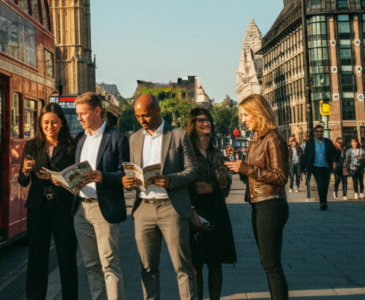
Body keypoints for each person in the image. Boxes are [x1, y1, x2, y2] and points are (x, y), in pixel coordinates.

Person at [122, 95, 199, 300]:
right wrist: (128, 181)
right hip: (144, 208)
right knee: (147, 268)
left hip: (171, 208)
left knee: (182, 266)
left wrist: (170, 180)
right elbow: (132, 171)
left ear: (158, 111)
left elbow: (193, 170)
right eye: (138, 116)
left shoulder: (179, 135)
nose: (142, 120)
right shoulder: (134, 138)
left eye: (146, 115)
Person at [225, 95, 289, 300]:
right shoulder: (257, 139)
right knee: (267, 263)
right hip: (259, 203)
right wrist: (240, 171)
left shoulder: (273, 138)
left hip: (270, 203)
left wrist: (247, 169)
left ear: (258, 113)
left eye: (246, 115)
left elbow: (280, 176)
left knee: (271, 264)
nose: (243, 120)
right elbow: (255, 173)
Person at [72, 92, 129, 300]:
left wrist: (102, 176)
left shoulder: (117, 138)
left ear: (97, 111)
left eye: (83, 113)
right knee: (91, 265)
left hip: (104, 207)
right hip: (80, 208)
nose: (79, 118)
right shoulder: (80, 139)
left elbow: (125, 174)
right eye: (78, 114)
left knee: (109, 264)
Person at [18, 102, 78, 300]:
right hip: (38, 207)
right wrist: (25, 171)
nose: (49, 126)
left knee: (67, 258)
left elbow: (77, 178)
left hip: (63, 208)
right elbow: (23, 181)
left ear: (61, 123)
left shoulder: (72, 146)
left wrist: (60, 180)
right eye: (45, 122)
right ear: (40, 124)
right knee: (36, 259)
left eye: (54, 122)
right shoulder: (31, 146)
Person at [186, 107, 236, 300]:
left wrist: (214, 187)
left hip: (216, 211)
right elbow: (183, 183)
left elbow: (226, 188)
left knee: (215, 263)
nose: (206, 123)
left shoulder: (217, 154)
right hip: (195, 210)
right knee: (196, 264)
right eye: (201, 120)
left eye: (208, 120)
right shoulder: (186, 154)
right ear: (192, 124)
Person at [300, 125, 339, 210]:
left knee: (326, 185)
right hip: (315, 167)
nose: (319, 133)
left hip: (326, 166)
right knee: (320, 184)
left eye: (321, 131)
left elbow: (334, 153)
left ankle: (324, 200)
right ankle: (322, 202)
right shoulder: (310, 142)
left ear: (323, 132)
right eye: (317, 131)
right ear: (314, 132)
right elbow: (306, 155)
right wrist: (302, 167)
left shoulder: (328, 142)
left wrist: (334, 162)